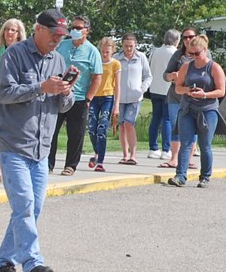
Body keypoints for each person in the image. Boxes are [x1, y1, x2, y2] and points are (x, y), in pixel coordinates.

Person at [0, 9, 74, 272]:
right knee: (24, 205)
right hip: (14, 143)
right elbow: (5, 93)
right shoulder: (14, 55)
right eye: (53, 34)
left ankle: (2, 264)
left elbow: (64, 105)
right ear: (38, 29)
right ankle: (33, 263)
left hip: (41, 148)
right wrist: (41, 87)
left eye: (61, 36)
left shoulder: (59, 59)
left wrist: (65, 92)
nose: (57, 41)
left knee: (32, 209)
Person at [167, 34, 226, 189]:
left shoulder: (214, 67)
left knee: (205, 144)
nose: (193, 57)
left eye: (196, 53)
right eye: (190, 54)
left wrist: (205, 94)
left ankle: (205, 176)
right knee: (185, 143)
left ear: (205, 50)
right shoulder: (187, 66)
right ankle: (180, 176)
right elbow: (177, 87)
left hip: (207, 111)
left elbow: (221, 91)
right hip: (188, 109)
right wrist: (187, 90)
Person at [50, 14, 101, 175]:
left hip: (78, 98)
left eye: (78, 28)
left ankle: (70, 165)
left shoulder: (92, 51)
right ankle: (48, 164)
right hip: (58, 94)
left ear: (87, 31)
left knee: (76, 134)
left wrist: (88, 98)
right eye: (72, 27)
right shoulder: (62, 45)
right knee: (51, 131)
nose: (74, 30)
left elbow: (97, 77)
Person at [0, 18, 28, 183]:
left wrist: (4, 76)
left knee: (14, 132)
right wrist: (9, 77)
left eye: (13, 30)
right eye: (7, 29)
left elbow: (23, 76)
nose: (10, 33)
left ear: (19, 34)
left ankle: (14, 169)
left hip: (15, 95)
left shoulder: (23, 54)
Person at [160, 28, 199, 171]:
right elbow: (165, 75)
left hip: (194, 98)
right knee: (176, 127)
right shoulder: (178, 55)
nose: (187, 40)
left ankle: (189, 159)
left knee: (193, 128)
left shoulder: (203, 54)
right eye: (184, 38)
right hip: (175, 97)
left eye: (190, 37)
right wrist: (171, 76)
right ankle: (174, 159)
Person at [114, 33, 152, 165]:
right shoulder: (116, 58)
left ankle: (133, 155)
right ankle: (124, 154)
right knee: (122, 125)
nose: (128, 49)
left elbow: (148, 76)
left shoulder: (141, 57)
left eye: (131, 46)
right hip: (119, 98)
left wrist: (142, 89)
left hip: (135, 98)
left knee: (129, 123)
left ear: (135, 45)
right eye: (126, 46)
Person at [87, 36, 121, 172]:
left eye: (107, 52)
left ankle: (100, 161)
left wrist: (116, 105)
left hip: (108, 97)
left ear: (112, 51)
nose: (105, 54)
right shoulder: (95, 62)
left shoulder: (115, 64)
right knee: (91, 128)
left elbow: (117, 86)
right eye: (102, 52)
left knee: (102, 128)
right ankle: (97, 152)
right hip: (94, 97)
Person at [147, 29, 180, 159]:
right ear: (175, 40)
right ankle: (166, 149)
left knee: (156, 118)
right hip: (167, 90)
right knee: (167, 119)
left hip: (155, 89)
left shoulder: (155, 51)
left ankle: (153, 148)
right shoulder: (175, 53)